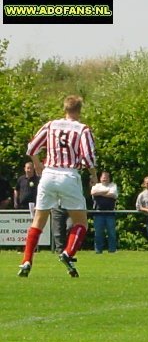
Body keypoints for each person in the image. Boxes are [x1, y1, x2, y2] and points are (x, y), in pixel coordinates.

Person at [18, 95, 98, 278]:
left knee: (38, 220)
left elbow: (31, 148)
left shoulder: (51, 125)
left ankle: (26, 260)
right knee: (81, 222)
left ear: (64, 108)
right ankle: (68, 253)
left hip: (48, 174)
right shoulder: (82, 129)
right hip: (68, 175)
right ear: (79, 109)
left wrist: (37, 164)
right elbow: (88, 157)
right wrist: (93, 175)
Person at [91, 171, 118, 253]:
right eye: (103, 177)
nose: (105, 179)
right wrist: (106, 192)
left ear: (109, 178)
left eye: (107, 177)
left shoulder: (113, 185)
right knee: (98, 233)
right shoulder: (96, 185)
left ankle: (112, 250)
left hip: (110, 213)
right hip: (98, 213)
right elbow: (93, 192)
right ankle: (98, 250)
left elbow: (113, 195)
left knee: (111, 232)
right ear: (100, 178)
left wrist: (99, 193)